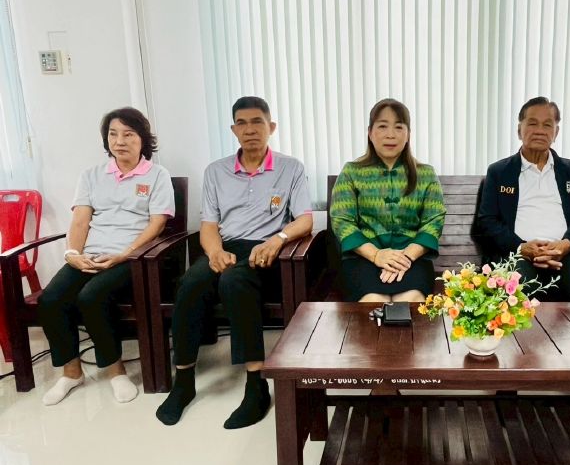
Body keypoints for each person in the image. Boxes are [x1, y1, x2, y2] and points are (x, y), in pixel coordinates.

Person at [156, 96, 312, 429]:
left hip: (266, 251)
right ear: (233, 129)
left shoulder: (291, 168)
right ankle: (184, 381)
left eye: (257, 122)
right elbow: (209, 225)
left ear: (271, 127)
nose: (250, 129)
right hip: (226, 247)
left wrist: (277, 240)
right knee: (190, 282)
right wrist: (214, 253)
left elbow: (304, 220)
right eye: (242, 123)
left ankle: (256, 386)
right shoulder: (216, 171)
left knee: (234, 281)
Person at [38, 107, 175, 405]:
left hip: (132, 258)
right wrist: (72, 253)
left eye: (128, 134)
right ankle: (71, 373)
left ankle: (115, 372)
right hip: (91, 255)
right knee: (51, 299)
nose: (119, 141)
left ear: (142, 139)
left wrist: (124, 255)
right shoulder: (91, 176)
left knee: (92, 297)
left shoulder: (157, 175)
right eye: (113, 134)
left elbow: (157, 224)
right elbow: (80, 221)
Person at [476, 96, 570, 300]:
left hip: (564, 253)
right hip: (516, 254)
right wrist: (521, 247)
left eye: (547, 125)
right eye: (532, 123)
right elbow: (487, 221)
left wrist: (566, 244)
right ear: (519, 130)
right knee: (521, 294)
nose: (540, 130)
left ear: (556, 133)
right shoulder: (499, 171)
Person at [330, 98, 446, 302]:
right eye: (382, 126)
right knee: (373, 301)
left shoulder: (426, 174)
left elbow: (434, 220)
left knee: (411, 299)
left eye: (399, 127)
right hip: (362, 257)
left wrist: (405, 256)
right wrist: (376, 255)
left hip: (412, 258)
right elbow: (342, 220)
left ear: (408, 134)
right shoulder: (351, 172)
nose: (390, 134)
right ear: (370, 133)